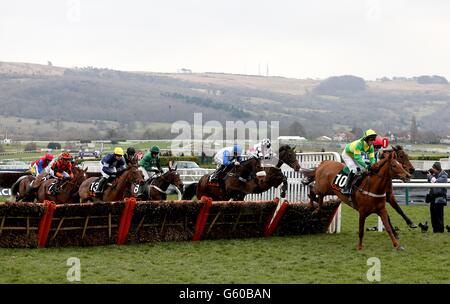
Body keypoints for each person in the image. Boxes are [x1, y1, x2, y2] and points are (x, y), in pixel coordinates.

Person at [341, 129, 377, 195]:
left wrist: (374, 165)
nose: (373, 142)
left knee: (363, 170)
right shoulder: (359, 144)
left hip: (354, 155)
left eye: (374, 140)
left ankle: (358, 186)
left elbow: (372, 158)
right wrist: (366, 165)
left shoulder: (370, 146)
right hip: (347, 154)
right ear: (366, 139)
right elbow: (358, 157)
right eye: (371, 140)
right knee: (355, 170)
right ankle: (346, 188)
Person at [426, 162, 447, 233]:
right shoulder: (434, 175)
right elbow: (430, 183)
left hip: (439, 199)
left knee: (439, 216)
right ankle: (435, 230)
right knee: (433, 216)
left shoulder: (444, 176)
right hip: (433, 198)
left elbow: (437, 182)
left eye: (433, 168)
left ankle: (440, 231)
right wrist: (430, 176)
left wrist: (430, 176)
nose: (433, 170)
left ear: (437, 168)